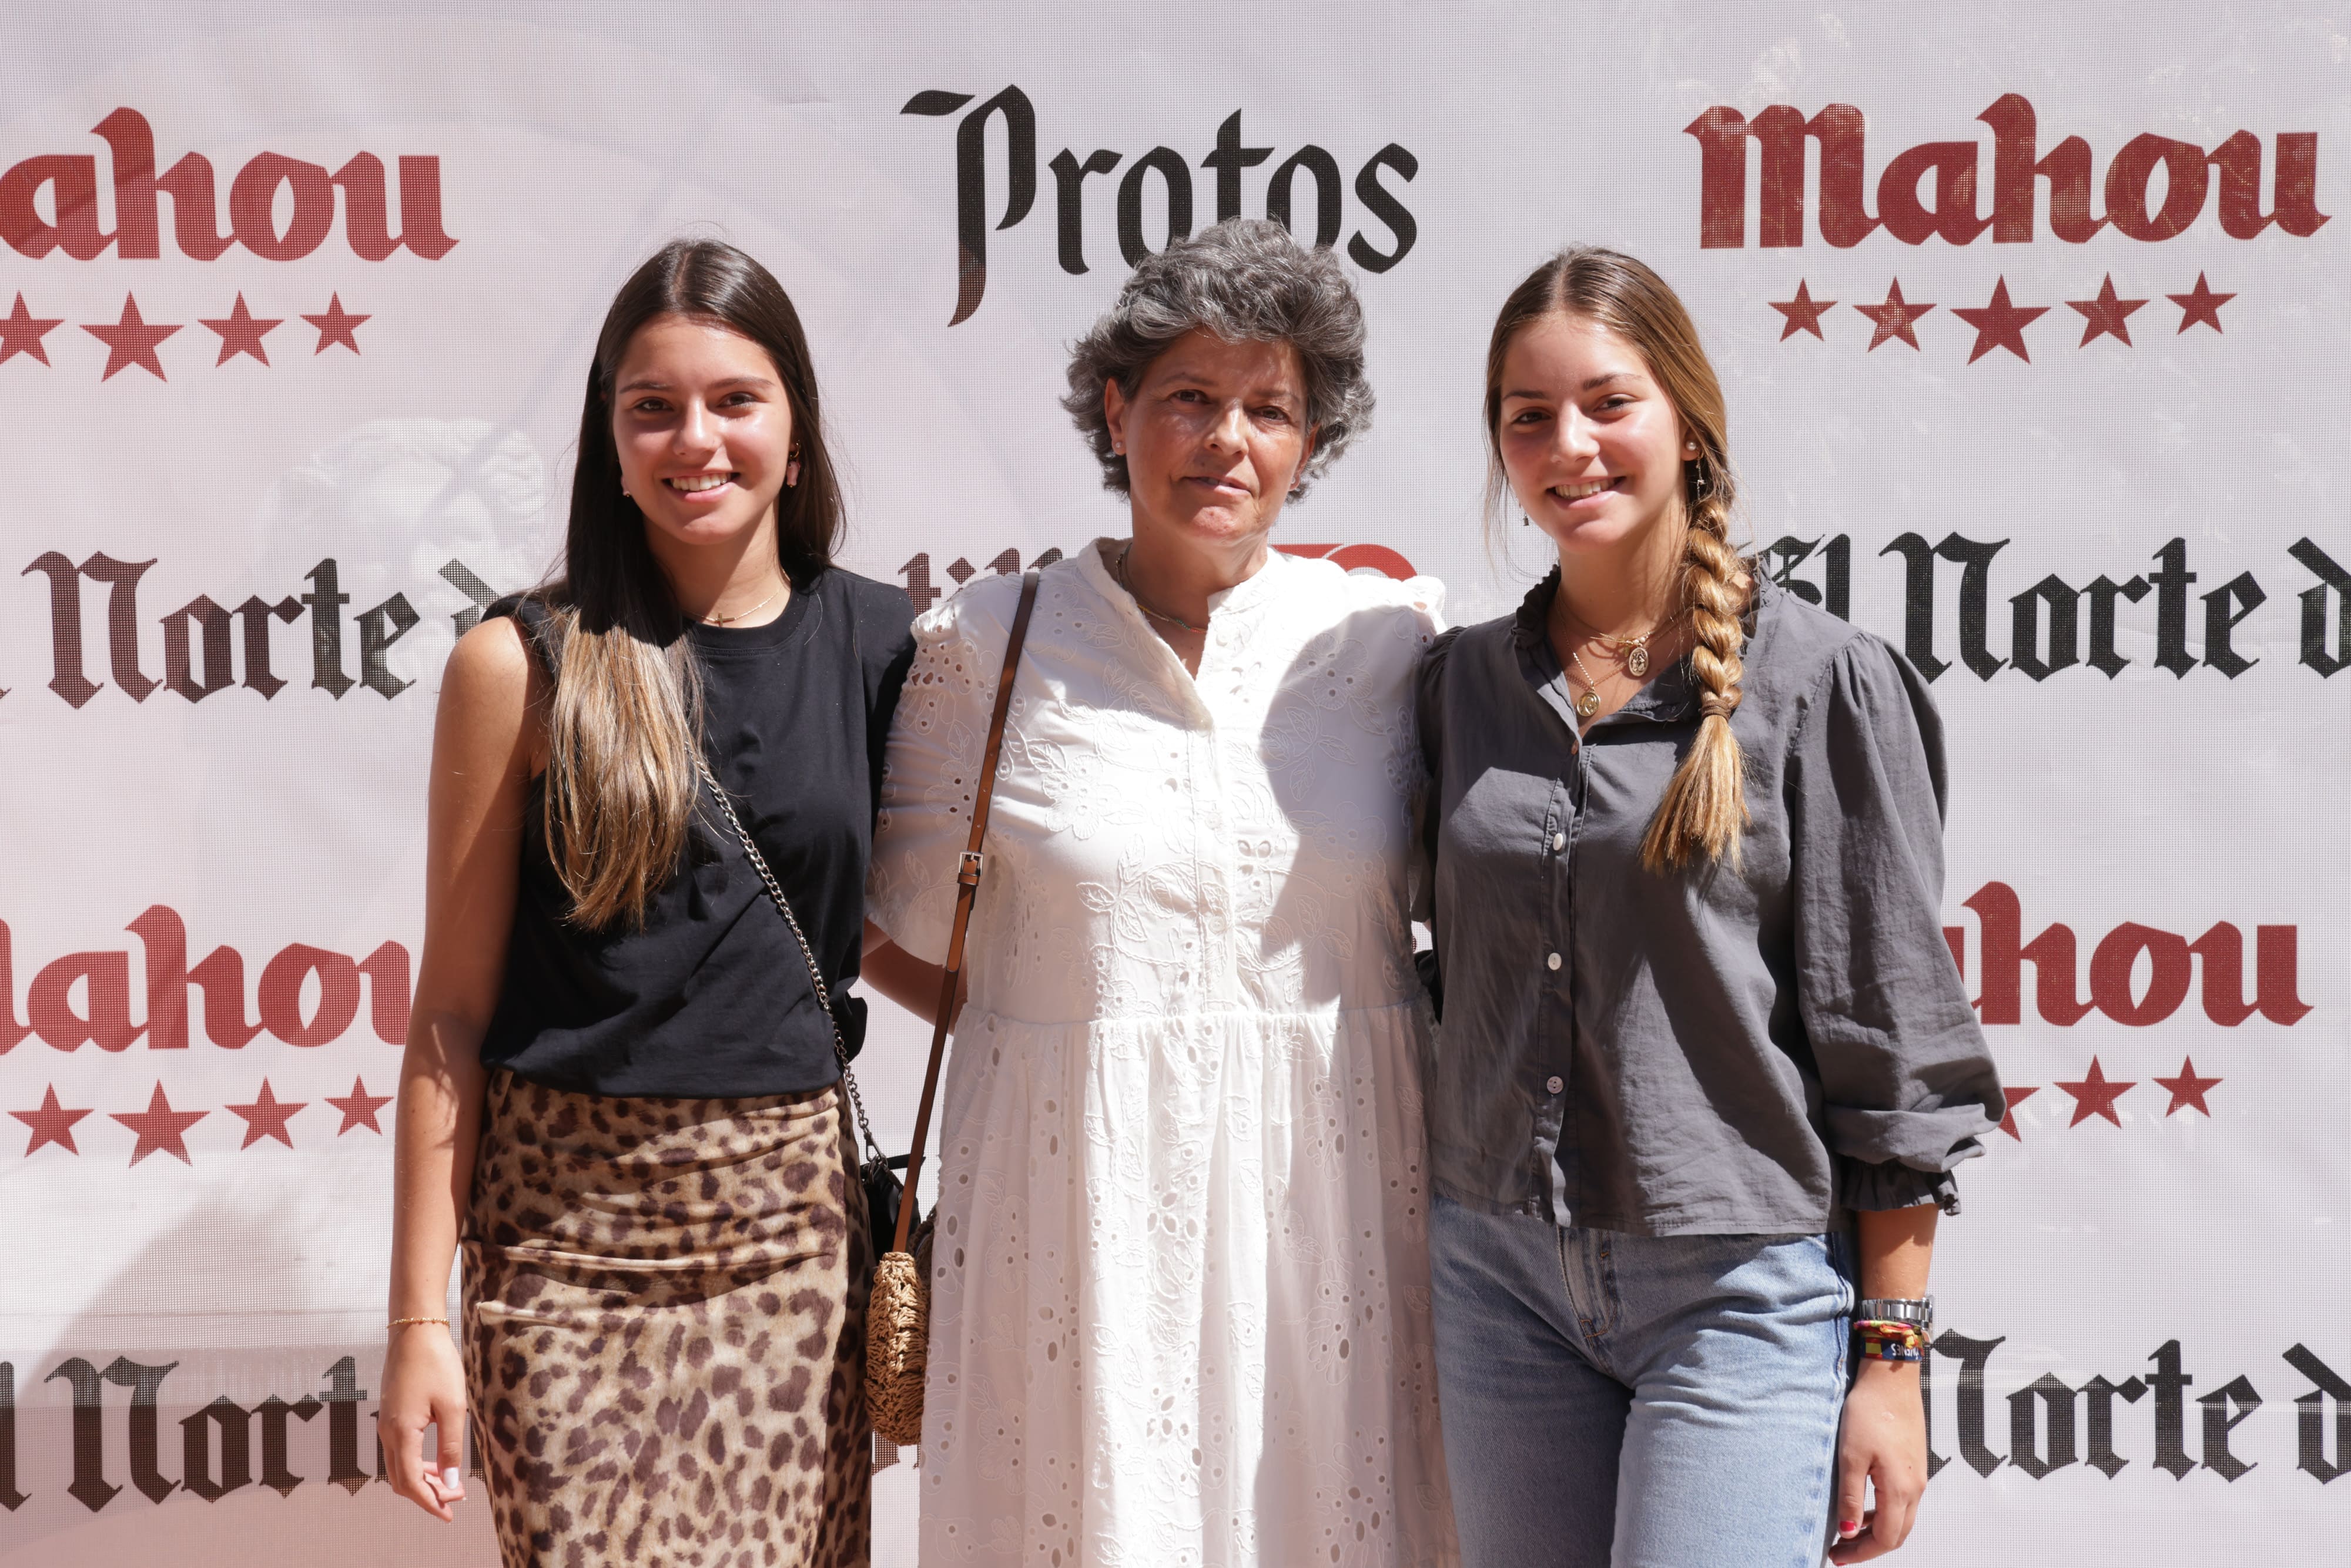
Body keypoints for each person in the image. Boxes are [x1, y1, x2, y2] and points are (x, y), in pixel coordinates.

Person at [861, 218, 1459, 1566]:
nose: (1225, 440)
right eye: (1188, 397)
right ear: (1116, 409)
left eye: (1269, 409)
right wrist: (1039, 1024)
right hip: (1072, 1205)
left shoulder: (1386, 641)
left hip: (1341, 1193)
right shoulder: (984, 644)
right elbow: (885, 919)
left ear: (1312, 443)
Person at [1415, 247, 2005, 1567]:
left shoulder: (1820, 681)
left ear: (1688, 420)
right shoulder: (1454, 687)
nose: (1567, 444)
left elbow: (1894, 1049)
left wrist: (1891, 1364)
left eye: (1606, 402)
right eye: (1526, 416)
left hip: (1734, 1296)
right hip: (1494, 1278)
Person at [377, 238, 916, 1568]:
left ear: (795, 432)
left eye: (736, 399)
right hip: (565, 1249)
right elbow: (450, 1012)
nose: (695, 438)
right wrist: (417, 1321)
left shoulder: (886, 643)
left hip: (789, 1242)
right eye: (652, 406)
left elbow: (868, 928)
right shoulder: (518, 664)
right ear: (608, 443)